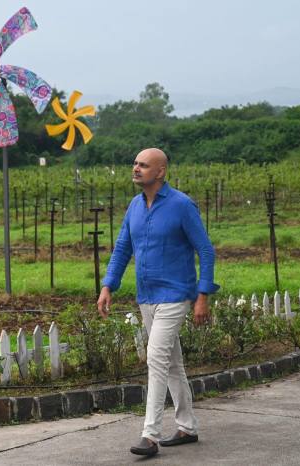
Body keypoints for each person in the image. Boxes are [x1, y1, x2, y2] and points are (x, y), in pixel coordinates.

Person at [97, 148, 219, 457]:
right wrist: (108, 285)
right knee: (172, 362)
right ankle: (187, 426)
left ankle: (150, 435)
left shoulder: (181, 205)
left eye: (143, 165)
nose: (136, 169)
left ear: (160, 172)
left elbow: (205, 250)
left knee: (156, 358)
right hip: (147, 297)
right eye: (135, 163)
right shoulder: (134, 207)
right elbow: (123, 248)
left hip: (176, 295)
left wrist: (202, 295)